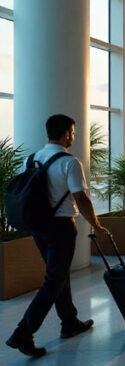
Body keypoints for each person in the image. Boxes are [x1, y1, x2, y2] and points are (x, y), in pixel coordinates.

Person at [6, 115, 110, 358]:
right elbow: (81, 198)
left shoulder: (30, 159)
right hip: (61, 228)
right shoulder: (70, 163)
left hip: (38, 227)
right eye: (72, 133)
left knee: (58, 275)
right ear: (65, 134)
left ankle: (69, 321)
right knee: (53, 280)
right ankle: (23, 333)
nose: (73, 137)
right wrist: (97, 225)